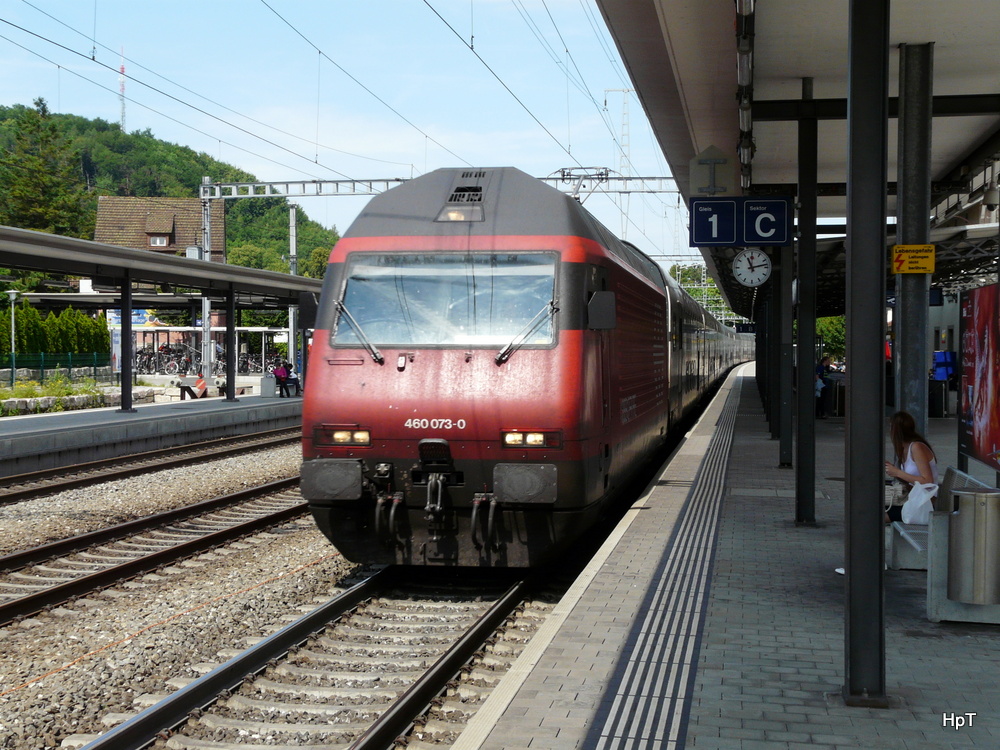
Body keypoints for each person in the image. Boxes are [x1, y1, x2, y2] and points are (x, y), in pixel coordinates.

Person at [884, 410, 940, 523]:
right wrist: (892, 470)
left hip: (923, 503)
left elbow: (927, 480)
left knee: (874, 515)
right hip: (911, 497)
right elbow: (910, 478)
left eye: (891, 427)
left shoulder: (917, 447)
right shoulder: (904, 448)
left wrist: (897, 472)